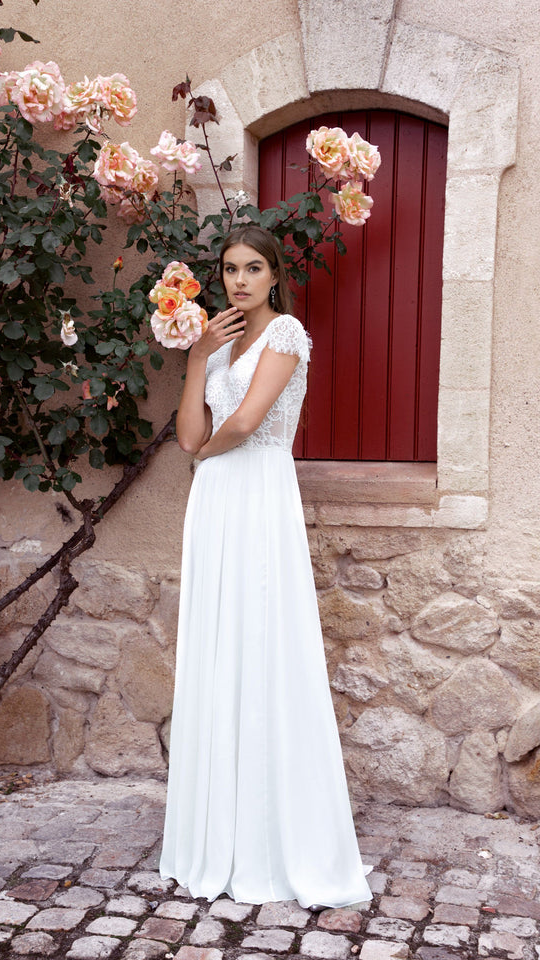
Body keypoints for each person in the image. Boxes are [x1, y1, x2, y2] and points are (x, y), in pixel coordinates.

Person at [159, 225, 372, 909]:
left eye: (254, 268)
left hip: (257, 493)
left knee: (263, 645)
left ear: (275, 275)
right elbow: (190, 436)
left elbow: (247, 425)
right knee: (218, 650)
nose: (240, 281)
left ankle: (275, 835)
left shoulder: (284, 335)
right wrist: (196, 364)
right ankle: (217, 830)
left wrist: (202, 454)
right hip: (215, 497)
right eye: (229, 270)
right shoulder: (220, 348)